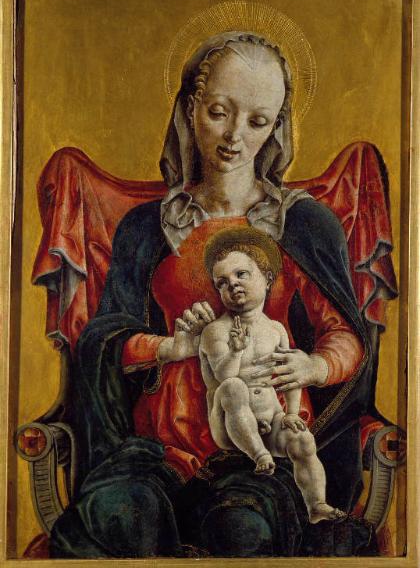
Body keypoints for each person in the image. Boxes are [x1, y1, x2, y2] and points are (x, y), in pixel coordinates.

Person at [50, 32, 377, 558]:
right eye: (219, 112)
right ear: (190, 108)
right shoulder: (147, 227)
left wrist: (315, 366)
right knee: (122, 517)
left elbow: (344, 333)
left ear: (276, 128)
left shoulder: (303, 225)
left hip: (262, 442)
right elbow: (105, 340)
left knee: (241, 532)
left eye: (258, 121)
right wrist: (168, 347)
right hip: (159, 447)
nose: (234, 137)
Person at [198, 226, 347, 523]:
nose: (233, 285)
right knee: (233, 386)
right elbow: (224, 376)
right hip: (230, 426)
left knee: (303, 441)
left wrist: (290, 413)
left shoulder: (276, 330)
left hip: (270, 420)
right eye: (222, 283)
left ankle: (317, 505)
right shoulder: (216, 331)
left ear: (266, 279)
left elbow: (289, 375)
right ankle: (259, 455)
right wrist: (236, 351)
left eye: (241, 274)